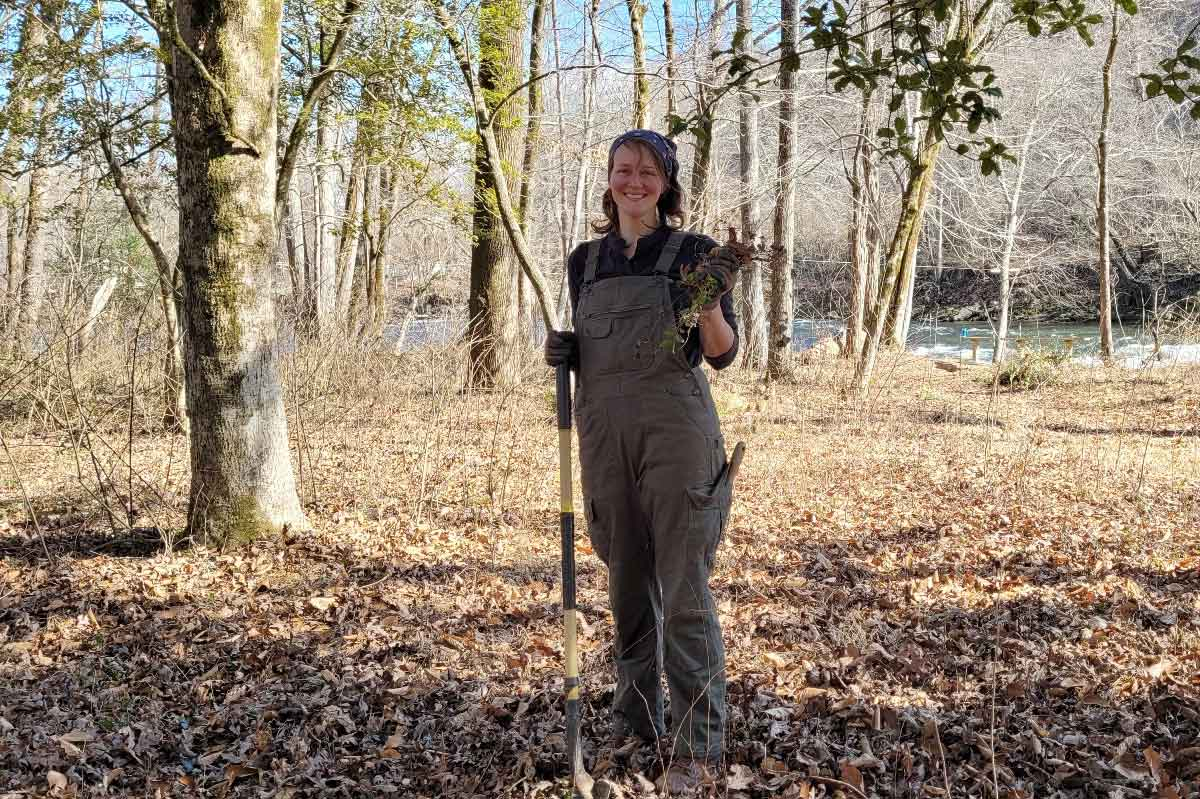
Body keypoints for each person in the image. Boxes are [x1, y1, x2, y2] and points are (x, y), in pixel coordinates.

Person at [544, 129, 742, 796]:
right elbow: (595, 349)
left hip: (677, 439)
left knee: (683, 589)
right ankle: (634, 724)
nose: (634, 181)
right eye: (623, 170)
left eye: (648, 172)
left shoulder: (696, 254)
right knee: (627, 586)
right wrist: (566, 351)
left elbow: (721, 353)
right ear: (608, 179)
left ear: (667, 183)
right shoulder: (584, 261)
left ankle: (697, 747)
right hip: (605, 442)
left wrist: (709, 305)